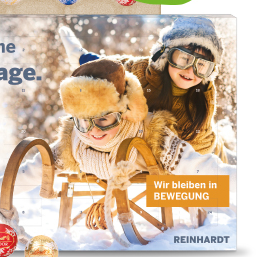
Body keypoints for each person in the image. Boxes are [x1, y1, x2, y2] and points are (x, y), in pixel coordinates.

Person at [0, 58, 235, 212]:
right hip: (107, 174)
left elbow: (204, 169)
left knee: (193, 186)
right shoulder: (74, 141)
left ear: (124, 110)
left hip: (165, 163)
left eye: (104, 119)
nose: (93, 131)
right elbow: (31, 173)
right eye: (84, 121)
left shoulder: (152, 136)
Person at [59, 17, 230, 160]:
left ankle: (229, 152)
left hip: (202, 151)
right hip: (147, 144)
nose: (190, 71)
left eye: (201, 66)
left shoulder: (203, 97)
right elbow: (113, 69)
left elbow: (199, 145)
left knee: (223, 157)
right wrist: (82, 58)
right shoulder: (142, 73)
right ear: (166, 55)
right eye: (183, 59)